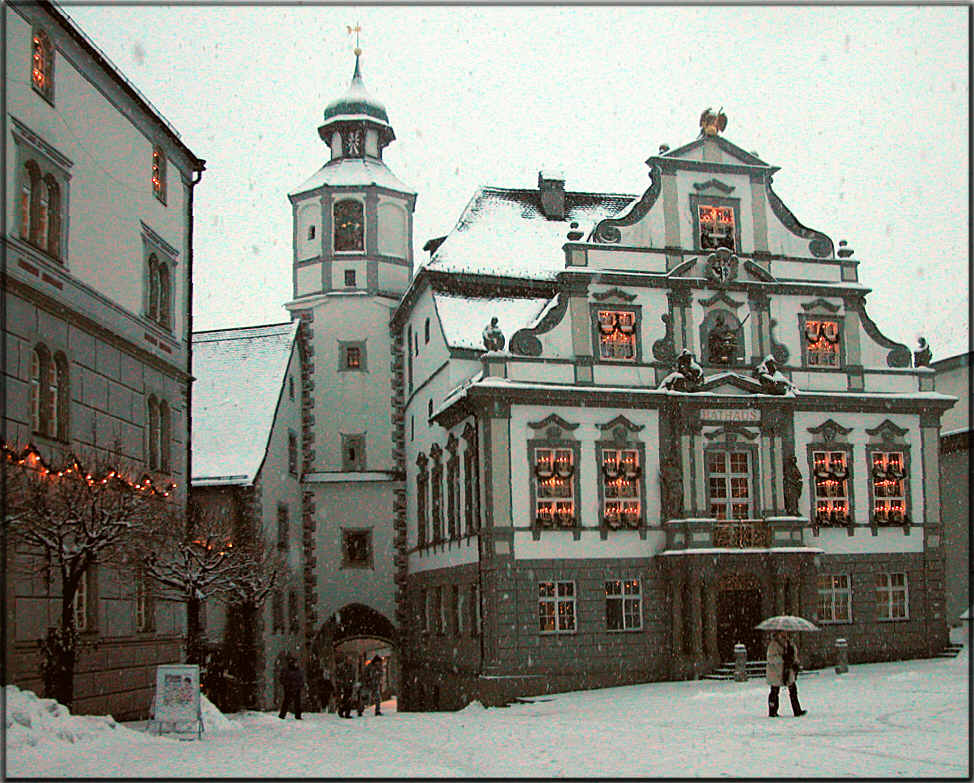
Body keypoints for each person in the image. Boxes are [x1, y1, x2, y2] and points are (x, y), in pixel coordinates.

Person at [766, 631, 806, 717]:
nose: (785, 634)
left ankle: (797, 710)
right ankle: (772, 710)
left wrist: (795, 662)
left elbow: (793, 654)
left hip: (788, 669)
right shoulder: (774, 644)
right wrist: (783, 658)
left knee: (793, 690)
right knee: (774, 691)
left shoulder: (789, 643)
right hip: (776, 671)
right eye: (782, 632)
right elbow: (771, 658)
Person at [334, 654, 356, 719]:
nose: (349, 661)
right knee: (344, 699)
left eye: (350, 660)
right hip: (343, 685)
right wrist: (340, 682)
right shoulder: (341, 667)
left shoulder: (352, 668)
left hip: (349, 685)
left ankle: (347, 713)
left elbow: (353, 676)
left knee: (349, 700)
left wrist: (352, 682)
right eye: (348, 660)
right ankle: (341, 710)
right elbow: (337, 675)